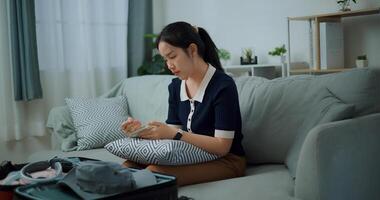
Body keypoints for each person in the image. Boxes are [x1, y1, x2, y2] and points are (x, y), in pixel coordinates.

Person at [121, 21, 245, 186]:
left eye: (172, 56)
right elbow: (173, 132)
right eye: (165, 59)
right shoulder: (175, 87)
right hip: (189, 154)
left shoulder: (223, 85)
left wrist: (175, 135)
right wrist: (142, 132)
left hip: (227, 160)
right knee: (129, 165)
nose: (169, 65)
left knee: (155, 173)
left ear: (192, 50)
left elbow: (222, 146)